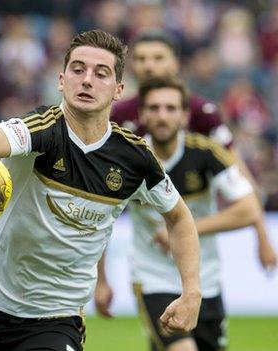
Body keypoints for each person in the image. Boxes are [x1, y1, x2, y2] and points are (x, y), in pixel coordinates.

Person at [0, 29, 201, 351]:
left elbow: (180, 217)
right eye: (78, 69)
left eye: (100, 74)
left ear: (118, 90)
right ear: (61, 80)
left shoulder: (135, 159)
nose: (87, 80)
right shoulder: (40, 129)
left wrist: (191, 292)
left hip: (54, 323)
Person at [96, 77, 262, 351]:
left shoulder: (206, 153)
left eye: (171, 108)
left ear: (185, 116)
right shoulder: (126, 158)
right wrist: (101, 280)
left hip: (205, 280)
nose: (163, 116)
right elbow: (100, 219)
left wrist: (185, 228)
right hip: (153, 279)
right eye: (155, 108)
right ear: (143, 114)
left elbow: (249, 209)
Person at [111, 30, 276, 272]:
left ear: (175, 63)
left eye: (158, 58)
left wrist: (261, 232)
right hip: (147, 239)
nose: (148, 66)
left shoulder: (200, 112)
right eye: (141, 59)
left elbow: (235, 165)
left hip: (195, 221)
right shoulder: (120, 114)